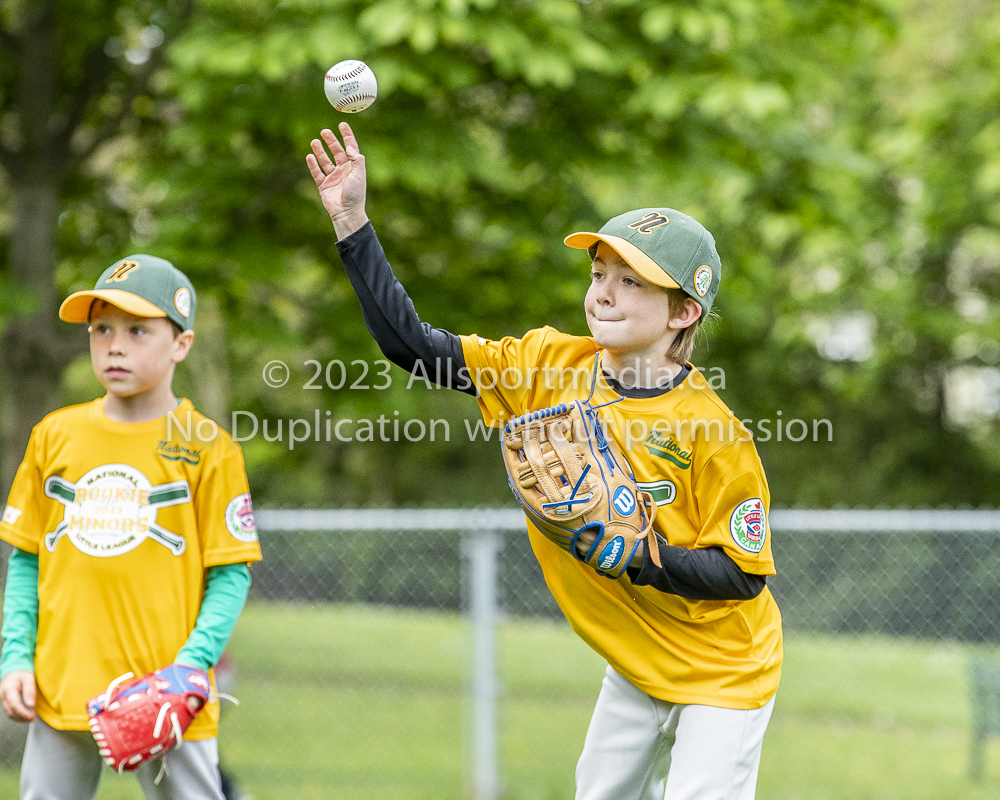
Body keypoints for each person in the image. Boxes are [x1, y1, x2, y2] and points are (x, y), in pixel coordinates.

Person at [308, 122, 783, 799]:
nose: (604, 293)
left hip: (725, 671)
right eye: (599, 275)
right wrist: (352, 222)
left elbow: (742, 577)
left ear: (684, 311)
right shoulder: (547, 365)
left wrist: (640, 556)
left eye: (632, 282)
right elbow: (410, 345)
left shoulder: (713, 432)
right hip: (636, 663)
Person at [0, 255, 262, 799]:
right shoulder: (55, 435)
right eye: (101, 329)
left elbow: (231, 575)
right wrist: (15, 658)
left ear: (181, 345)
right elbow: (27, 560)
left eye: (138, 329)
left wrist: (191, 670)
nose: (114, 345)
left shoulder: (207, 446)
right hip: (61, 684)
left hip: (168, 694)